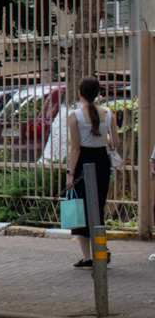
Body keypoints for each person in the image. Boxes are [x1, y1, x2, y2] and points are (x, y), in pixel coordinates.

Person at [66, 76, 114, 269]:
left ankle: (88, 257)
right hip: (102, 161)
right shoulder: (109, 113)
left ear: (80, 93)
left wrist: (70, 173)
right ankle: (100, 251)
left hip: (83, 162)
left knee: (80, 209)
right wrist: (101, 135)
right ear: (97, 93)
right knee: (97, 208)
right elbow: (114, 142)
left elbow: (75, 148)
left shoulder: (74, 115)